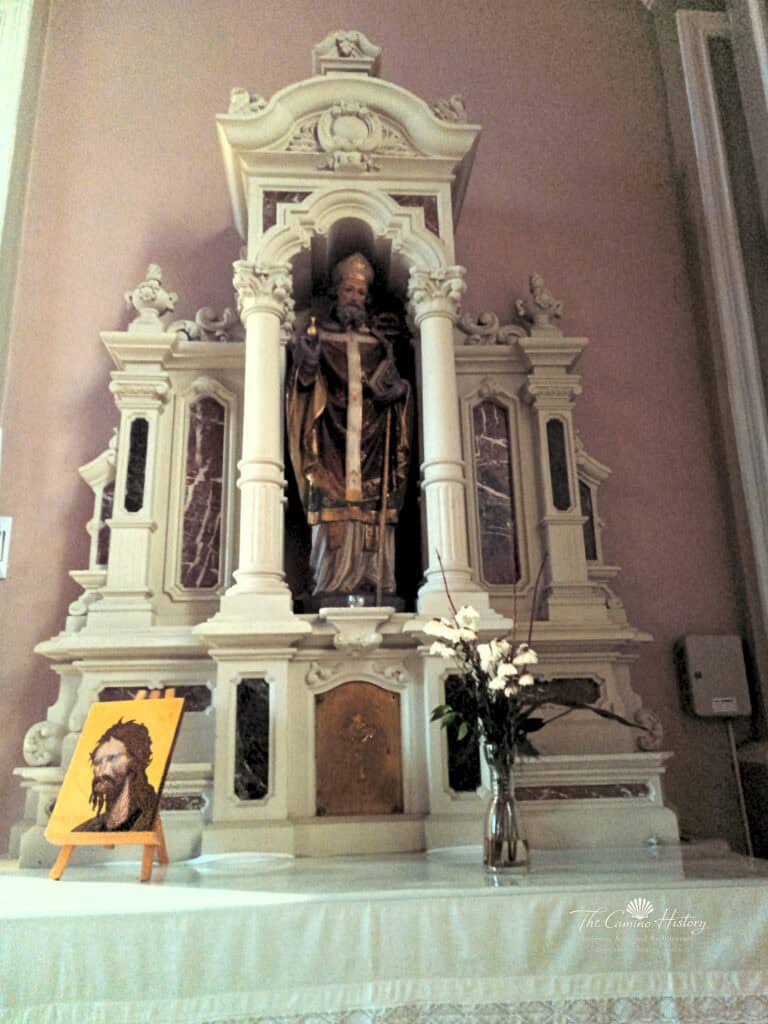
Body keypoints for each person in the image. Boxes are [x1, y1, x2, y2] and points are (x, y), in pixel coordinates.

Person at [287, 252, 412, 603]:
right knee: (331, 507)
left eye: (359, 292)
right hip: (330, 440)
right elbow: (303, 388)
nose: (354, 298)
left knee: (374, 507)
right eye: (348, 290)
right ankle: (330, 582)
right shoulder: (320, 338)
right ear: (336, 294)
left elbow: (392, 385)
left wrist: (401, 393)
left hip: (373, 440)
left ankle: (375, 580)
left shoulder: (380, 343)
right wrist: (308, 365)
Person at [73, 718, 159, 832]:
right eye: (97, 762)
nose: (102, 769)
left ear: (134, 760)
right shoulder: (83, 831)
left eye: (112, 758)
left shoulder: (150, 816)